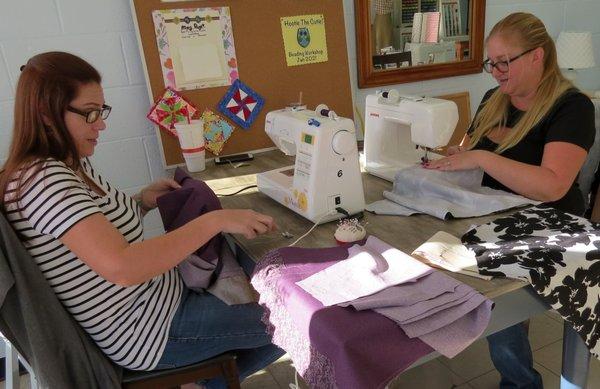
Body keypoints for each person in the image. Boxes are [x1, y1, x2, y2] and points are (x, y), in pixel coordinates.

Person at [0, 51, 284, 388]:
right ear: (47, 114)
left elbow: (95, 232)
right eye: (90, 113)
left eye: (101, 111)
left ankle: (204, 381)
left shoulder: (69, 163)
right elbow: (123, 265)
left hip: (162, 298)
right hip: (149, 331)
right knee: (299, 316)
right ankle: (205, 383)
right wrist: (215, 220)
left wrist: (142, 202)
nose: (101, 124)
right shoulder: (44, 182)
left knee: (272, 280)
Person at [425, 12, 596, 389]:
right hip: (487, 211)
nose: (496, 72)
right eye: (492, 63)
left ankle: (520, 384)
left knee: (496, 305)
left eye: (505, 62)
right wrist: (453, 156)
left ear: (538, 56)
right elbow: (469, 151)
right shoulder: (493, 98)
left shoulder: (573, 107)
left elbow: (552, 185)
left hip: (545, 225)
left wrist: (482, 158)